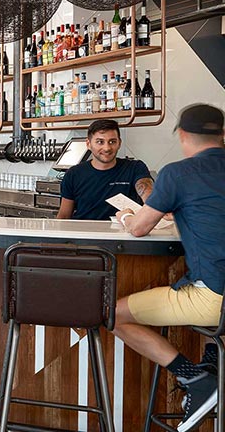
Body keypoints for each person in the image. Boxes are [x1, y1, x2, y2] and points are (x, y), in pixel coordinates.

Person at [113, 104, 225, 432]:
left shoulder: (178, 173)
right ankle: (213, 366)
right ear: (222, 134)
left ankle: (197, 380)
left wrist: (126, 216)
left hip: (213, 298)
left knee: (112, 314)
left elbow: (139, 229)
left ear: (183, 135)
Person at [57, 119, 153, 221]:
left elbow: (149, 195)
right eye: (100, 142)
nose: (107, 148)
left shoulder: (135, 168)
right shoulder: (73, 174)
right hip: (83, 230)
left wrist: (154, 207)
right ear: (88, 144)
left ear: (119, 143)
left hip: (124, 230)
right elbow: (64, 216)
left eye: (112, 142)